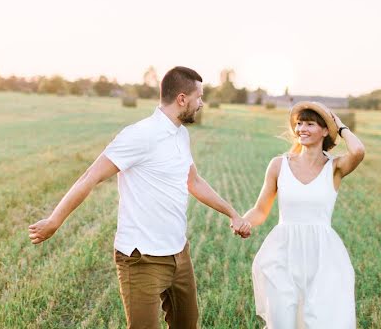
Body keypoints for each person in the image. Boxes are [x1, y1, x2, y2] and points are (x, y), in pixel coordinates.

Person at [28, 66, 251, 329]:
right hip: (141, 258)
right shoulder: (140, 135)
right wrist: (55, 220)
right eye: (198, 97)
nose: (201, 103)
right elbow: (91, 176)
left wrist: (232, 213)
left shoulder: (181, 134)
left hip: (179, 254)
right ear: (182, 98)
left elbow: (194, 181)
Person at [242, 101, 366, 329]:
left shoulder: (335, 168)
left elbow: (358, 151)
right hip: (282, 254)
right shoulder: (278, 165)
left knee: (318, 321)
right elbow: (261, 210)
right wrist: (243, 221)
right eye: (299, 124)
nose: (301, 129)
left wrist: (339, 124)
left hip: (323, 257)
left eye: (310, 124)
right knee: (281, 321)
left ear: (325, 131)